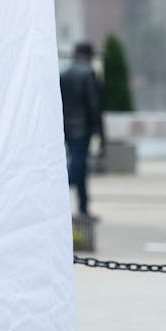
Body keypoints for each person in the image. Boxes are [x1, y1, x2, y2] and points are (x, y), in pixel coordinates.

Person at [60, 41, 104, 217]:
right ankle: (58, 188)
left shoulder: (64, 74)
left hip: (66, 127)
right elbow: (94, 105)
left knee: (80, 165)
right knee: (78, 166)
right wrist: (99, 132)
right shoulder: (88, 74)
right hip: (83, 127)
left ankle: (83, 206)